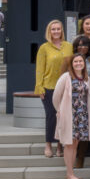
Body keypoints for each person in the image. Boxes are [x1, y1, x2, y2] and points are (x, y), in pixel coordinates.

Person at [52, 54, 90, 179]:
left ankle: (71, 172)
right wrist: (59, 110)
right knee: (69, 145)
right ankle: (69, 173)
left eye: (80, 61)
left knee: (75, 145)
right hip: (69, 115)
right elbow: (56, 96)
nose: (78, 63)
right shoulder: (66, 77)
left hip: (82, 117)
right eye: (75, 61)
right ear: (72, 64)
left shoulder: (86, 78)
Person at [35, 20, 73, 158]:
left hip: (65, 87)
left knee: (63, 117)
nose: (56, 31)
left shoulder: (69, 46)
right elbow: (39, 69)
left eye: (58, 29)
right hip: (49, 86)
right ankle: (48, 144)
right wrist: (39, 87)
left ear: (62, 30)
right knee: (51, 116)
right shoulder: (44, 48)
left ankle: (59, 146)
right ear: (49, 31)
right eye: (53, 29)